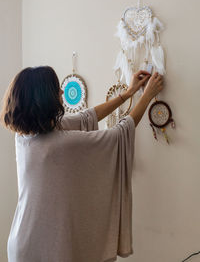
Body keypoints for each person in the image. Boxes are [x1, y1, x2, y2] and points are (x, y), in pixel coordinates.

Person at [1, 66, 163, 262]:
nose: (61, 92)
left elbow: (86, 117)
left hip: (22, 242)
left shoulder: (24, 136)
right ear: (44, 98)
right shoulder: (60, 145)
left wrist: (128, 93)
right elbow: (118, 135)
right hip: (43, 246)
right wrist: (147, 95)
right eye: (56, 88)